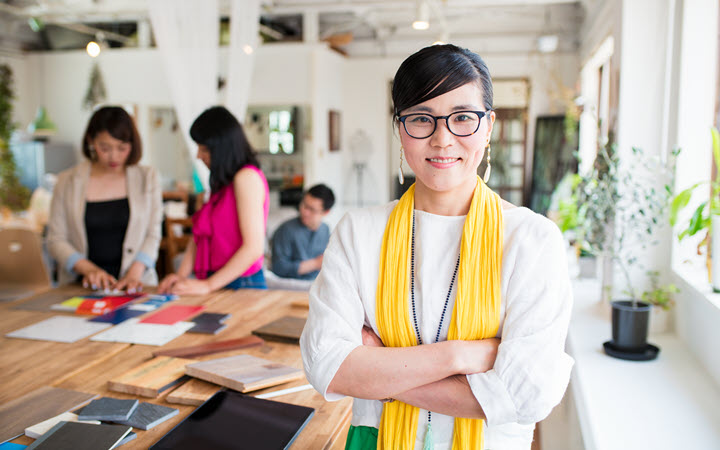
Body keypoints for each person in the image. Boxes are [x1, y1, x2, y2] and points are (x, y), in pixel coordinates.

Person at [300, 44, 573, 450]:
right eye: (421, 119)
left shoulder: (531, 240)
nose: (442, 139)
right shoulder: (358, 232)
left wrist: (381, 374)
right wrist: (459, 357)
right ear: (399, 128)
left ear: (488, 126)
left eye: (463, 117)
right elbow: (327, 365)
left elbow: (527, 394)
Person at [47, 106, 162, 292]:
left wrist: (134, 274)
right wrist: (88, 270)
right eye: (105, 148)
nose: (114, 156)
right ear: (90, 141)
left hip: (136, 284)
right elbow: (56, 240)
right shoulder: (66, 181)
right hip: (80, 286)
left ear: (132, 145)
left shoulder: (147, 178)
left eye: (122, 148)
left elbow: (153, 234)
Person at [157, 106, 269, 294]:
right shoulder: (223, 184)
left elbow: (254, 248)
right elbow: (199, 236)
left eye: (204, 149)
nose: (198, 156)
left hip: (242, 285)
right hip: (219, 282)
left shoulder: (246, 178)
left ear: (223, 148)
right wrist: (181, 277)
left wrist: (207, 285)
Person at [270, 184, 335, 280]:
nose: (305, 212)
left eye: (312, 209)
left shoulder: (325, 230)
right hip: (293, 287)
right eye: (304, 205)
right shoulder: (286, 230)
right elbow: (278, 268)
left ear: (326, 212)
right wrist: (315, 263)